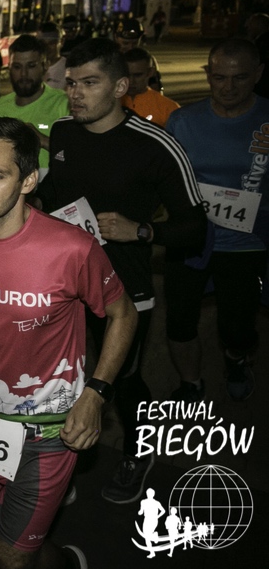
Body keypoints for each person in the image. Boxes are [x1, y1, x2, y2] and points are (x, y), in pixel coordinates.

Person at [0, 117, 136, 569]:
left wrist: (96, 394)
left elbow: (123, 314)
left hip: (50, 426)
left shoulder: (71, 248)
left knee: (12, 556)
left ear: (29, 180)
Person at [38, 38, 207, 504]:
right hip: (66, 286)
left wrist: (142, 231)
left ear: (119, 87)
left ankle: (138, 450)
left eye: (89, 83)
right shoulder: (64, 133)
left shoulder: (156, 145)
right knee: (66, 375)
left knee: (122, 379)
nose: (75, 94)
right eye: (71, 83)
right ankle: (57, 459)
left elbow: (195, 228)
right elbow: (57, 197)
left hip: (126, 291)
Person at [165, 37, 269, 402]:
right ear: (208, 74)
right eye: (219, 77)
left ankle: (237, 358)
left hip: (246, 242)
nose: (228, 87)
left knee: (237, 327)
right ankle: (191, 383)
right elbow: (163, 178)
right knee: (179, 321)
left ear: (258, 74)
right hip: (191, 237)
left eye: (240, 77)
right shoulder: (182, 121)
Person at [0, 34, 69, 178]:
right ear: (9, 68)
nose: (23, 74)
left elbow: (77, 155)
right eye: (17, 67)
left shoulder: (64, 103)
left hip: (54, 185)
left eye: (31, 66)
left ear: (45, 66)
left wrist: (42, 140)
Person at [122, 48, 179, 128]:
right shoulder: (110, 103)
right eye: (127, 75)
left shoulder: (168, 108)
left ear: (150, 72)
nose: (131, 81)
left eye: (138, 75)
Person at [38, 22, 67, 92]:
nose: (46, 48)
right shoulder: (33, 67)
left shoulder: (68, 69)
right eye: (42, 43)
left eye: (51, 43)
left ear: (62, 42)